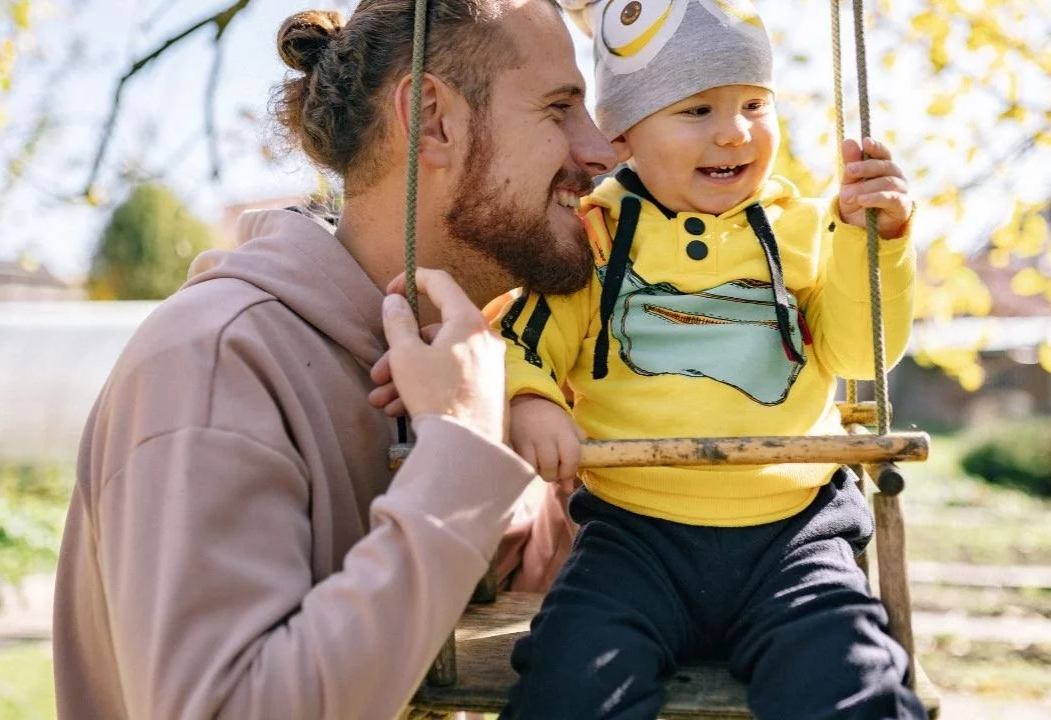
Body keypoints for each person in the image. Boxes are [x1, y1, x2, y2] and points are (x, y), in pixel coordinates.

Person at [51, 0, 618, 717]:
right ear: (434, 119)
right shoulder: (215, 360)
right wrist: (460, 453)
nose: (603, 150)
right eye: (560, 107)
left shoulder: (475, 366)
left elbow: (519, 609)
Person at [492, 0, 928, 716]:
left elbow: (857, 348)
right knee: (572, 684)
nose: (734, 131)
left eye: (754, 103)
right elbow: (524, 340)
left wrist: (874, 241)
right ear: (624, 131)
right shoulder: (593, 237)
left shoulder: (804, 227)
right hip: (633, 536)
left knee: (844, 681)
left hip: (795, 534)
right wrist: (529, 399)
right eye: (695, 110)